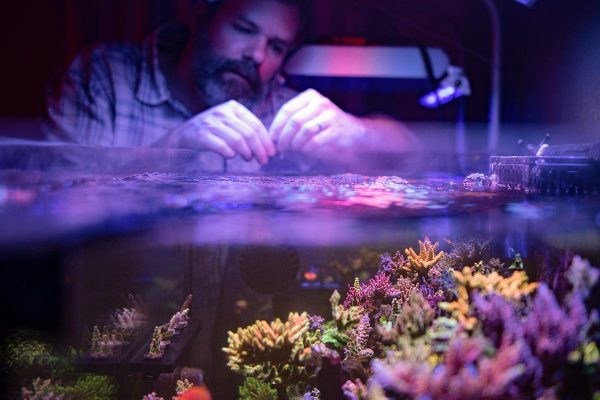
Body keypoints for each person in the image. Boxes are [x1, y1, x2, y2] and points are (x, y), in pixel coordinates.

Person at [45, 0, 417, 172]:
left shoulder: (277, 107)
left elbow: (414, 156)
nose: (257, 56)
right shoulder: (105, 75)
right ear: (200, 14)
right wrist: (170, 150)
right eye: (243, 29)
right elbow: (57, 200)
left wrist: (359, 134)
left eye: (276, 47)